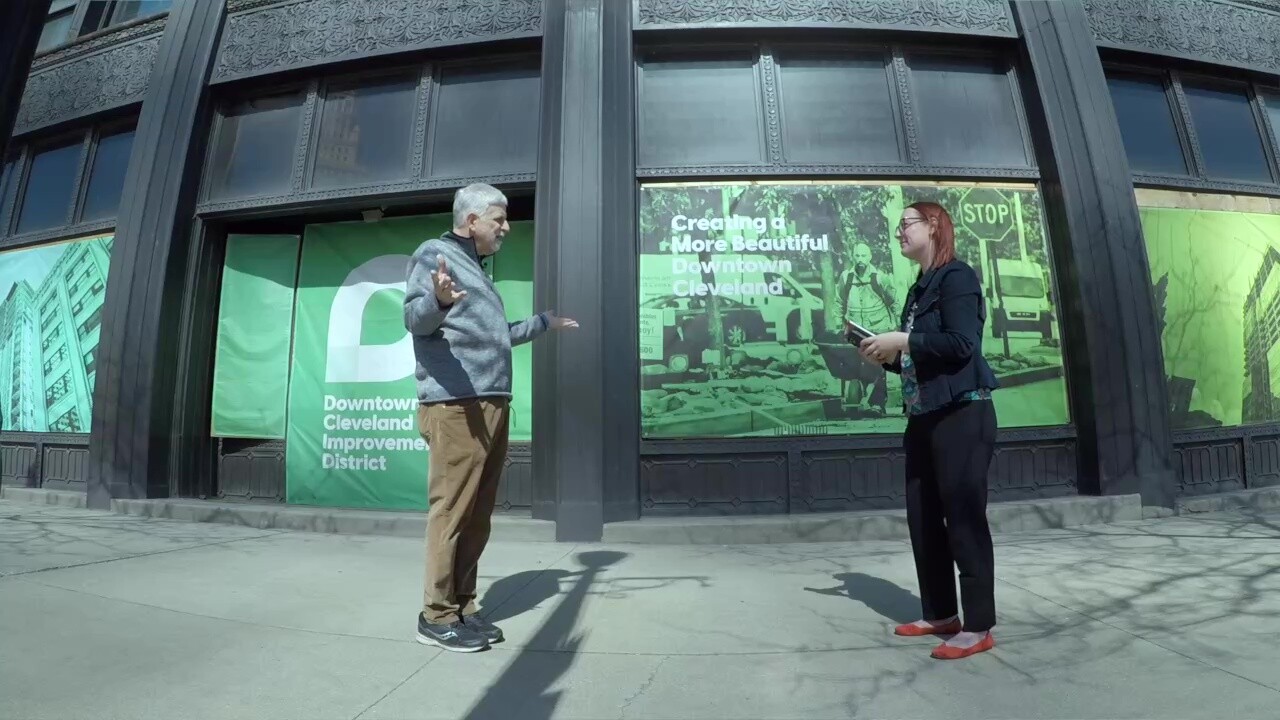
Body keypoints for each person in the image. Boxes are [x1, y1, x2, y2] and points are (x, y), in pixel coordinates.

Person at [403, 183, 578, 653]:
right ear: (472, 219)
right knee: (453, 511)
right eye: (499, 218)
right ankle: (435, 615)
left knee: (477, 514)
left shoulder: (476, 270)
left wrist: (544, 323)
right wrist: (437, 301)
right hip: (456, 404)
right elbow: (415, 320)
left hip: (490, 401)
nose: (506, 226)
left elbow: (495, 336)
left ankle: (462, 606)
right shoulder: (435, 255)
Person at [855, 202, 1000, 660]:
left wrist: (904, 340)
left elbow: (961, 345)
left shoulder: (957, 277)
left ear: (933, 226)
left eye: (906, 224)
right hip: (924, 415)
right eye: (898, 226)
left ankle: (978, 626)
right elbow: (926, 359)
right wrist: (891, 357)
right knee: (923, 519)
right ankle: (941, 613)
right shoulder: (918, 289)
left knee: (963, 519)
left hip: (963, 415)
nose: (899, 232)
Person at [837, 242, 897, 416]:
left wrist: (898, 325)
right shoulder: (846, 278)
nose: (860, 259)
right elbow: (839, 302)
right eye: (857, 255)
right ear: (852, 257)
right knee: (857, 364)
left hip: (879, 327)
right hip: (855, 328)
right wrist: (837, 323)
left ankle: (877, 404)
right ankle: (858, 398)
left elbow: (894, 302)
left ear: (870, 257)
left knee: (879, 364)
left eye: (864, 255)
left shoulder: (880, 278)